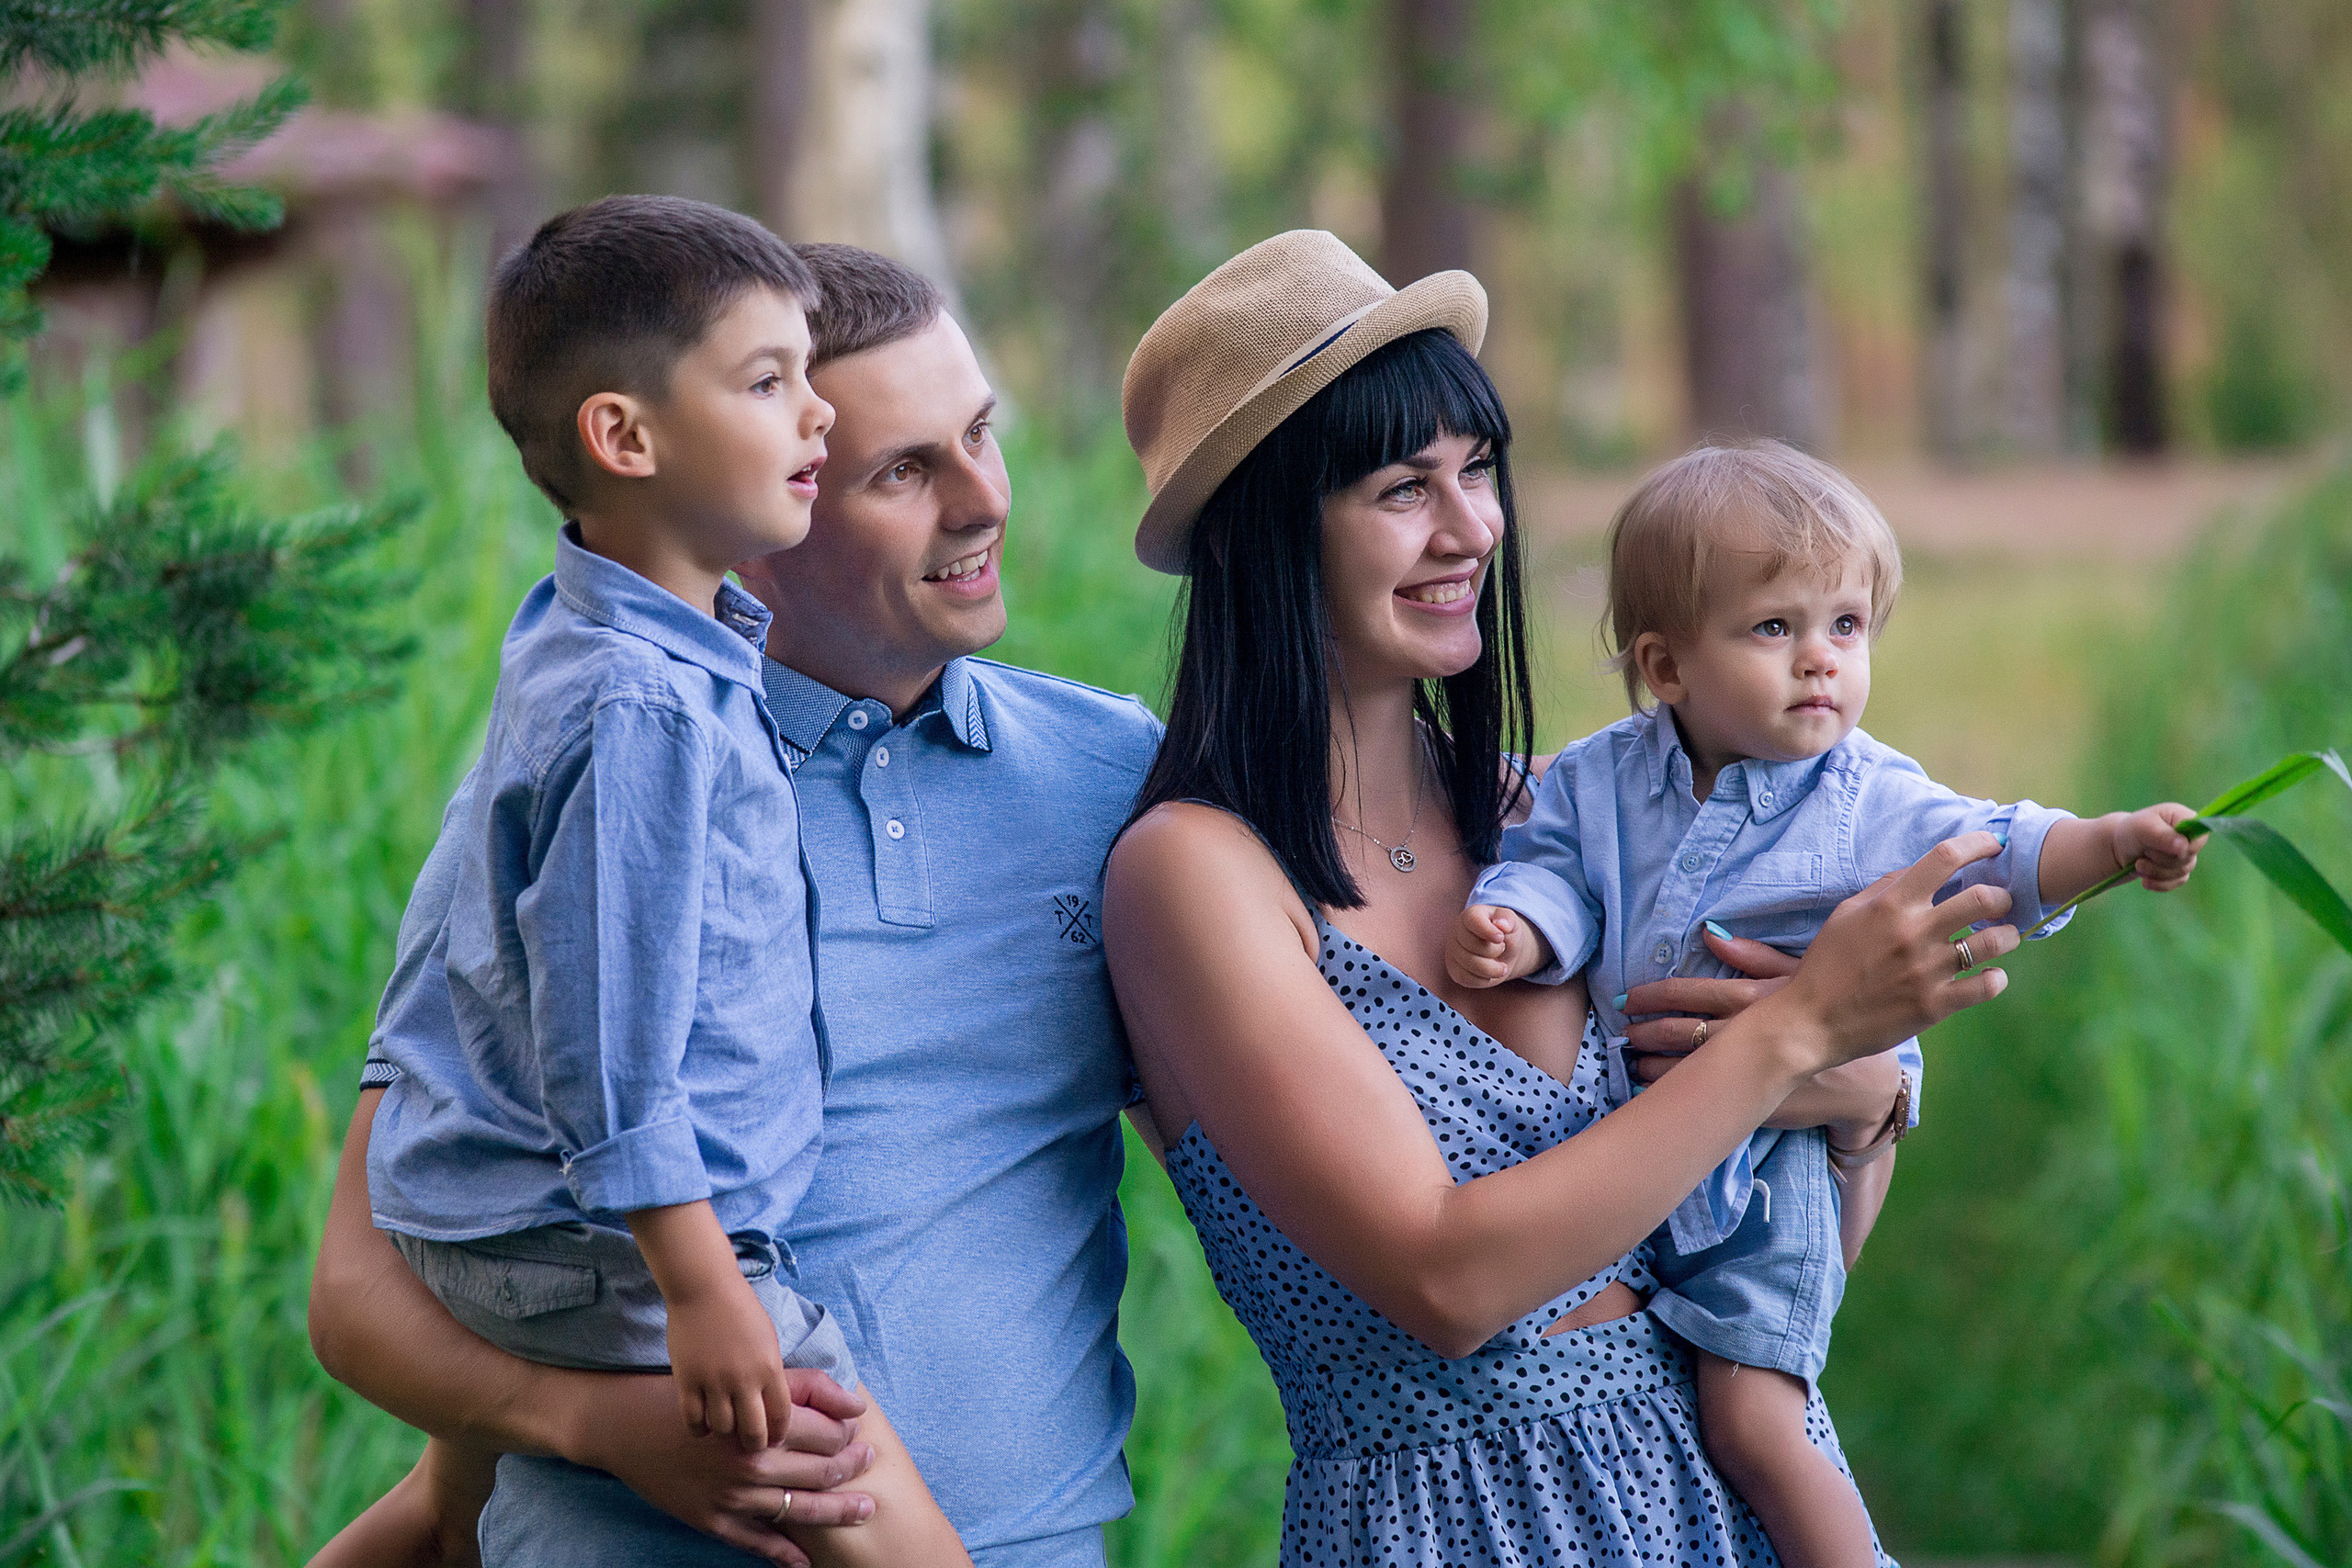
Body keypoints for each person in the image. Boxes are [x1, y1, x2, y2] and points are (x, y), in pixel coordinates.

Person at [1104, 228, 2022, 1565]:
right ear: (1267, 528)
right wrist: (1794, 1036)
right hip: (1453, 1525)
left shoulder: (1555, 818)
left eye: (1478, 471)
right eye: (1402, 487)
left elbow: (1759, 1273)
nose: (1473, 527)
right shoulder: (1196, 872)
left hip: (1723, 1500)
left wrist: (1867, 1101)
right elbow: (1449, 1279)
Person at [307, 240, 1159, 1568]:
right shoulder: (595, 766)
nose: (985, 499)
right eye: (905, 471)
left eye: (982, 432)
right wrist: (594, 1421)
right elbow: (368, 1287)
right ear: (780, 497)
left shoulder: (1116, 778)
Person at [1444, 439, 2201, 1566]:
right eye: (1773, 629)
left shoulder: (1866, 794)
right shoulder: (1601, 777)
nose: (1820, 664)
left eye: (1845, 627)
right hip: (1633, 1154)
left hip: (1769, 1175)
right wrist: (1522, 928)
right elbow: (1551, 866)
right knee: (1655, 1390)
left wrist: (2113, 845)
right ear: (1666, 667)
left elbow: (1999, 849)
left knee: (1753, 1419)